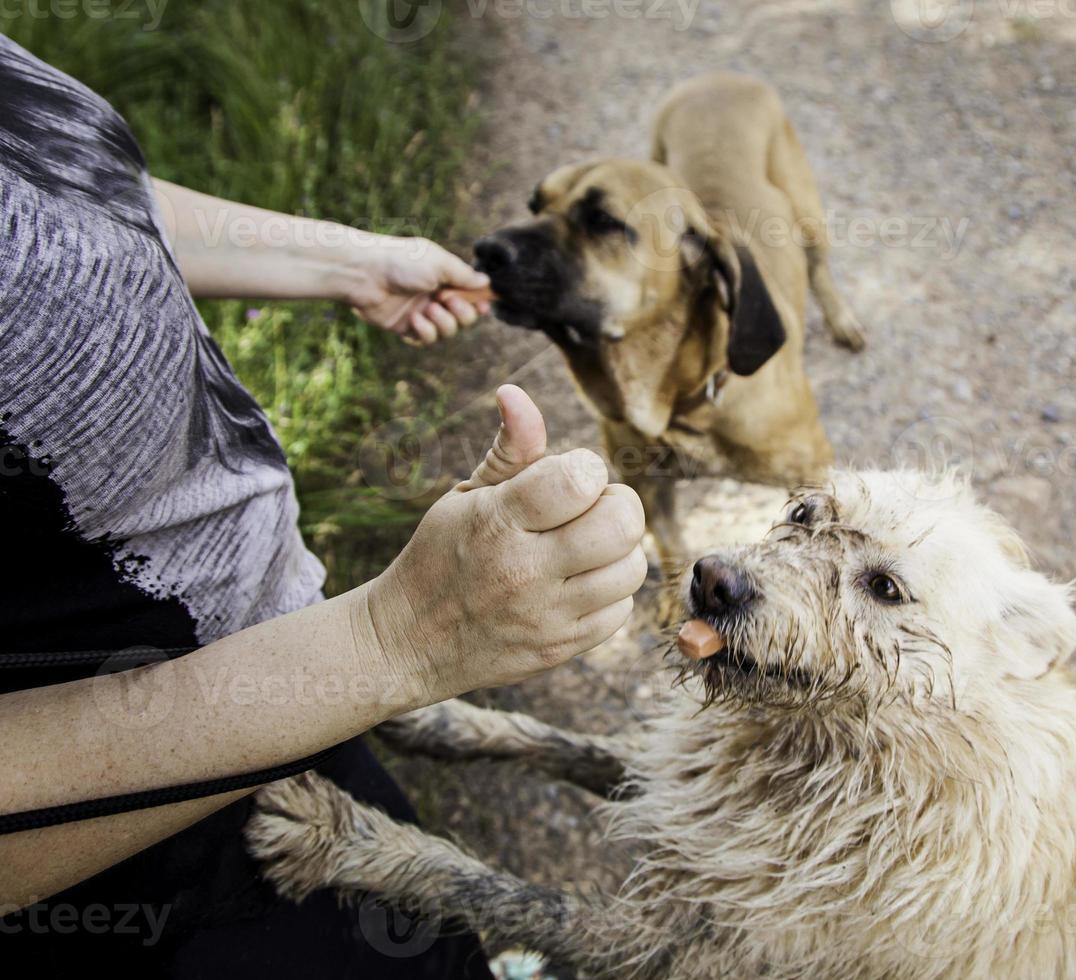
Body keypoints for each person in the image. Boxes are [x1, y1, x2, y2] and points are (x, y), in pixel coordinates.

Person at [0, 34, 647, 977]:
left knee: (422, 924)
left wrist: (332, 260)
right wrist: (398, 641)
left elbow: (63, 181)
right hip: (145, 854)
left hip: (285, 673)